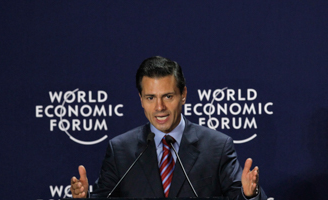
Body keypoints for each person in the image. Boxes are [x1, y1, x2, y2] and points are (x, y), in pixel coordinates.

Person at [70, 56, 267, 199]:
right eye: (150, 98)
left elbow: (240, 196)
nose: (159, 107)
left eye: (168, 96)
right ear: (141, 100)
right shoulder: (121, 150)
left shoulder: (217, 146)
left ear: (183, 95)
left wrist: (250, 194)